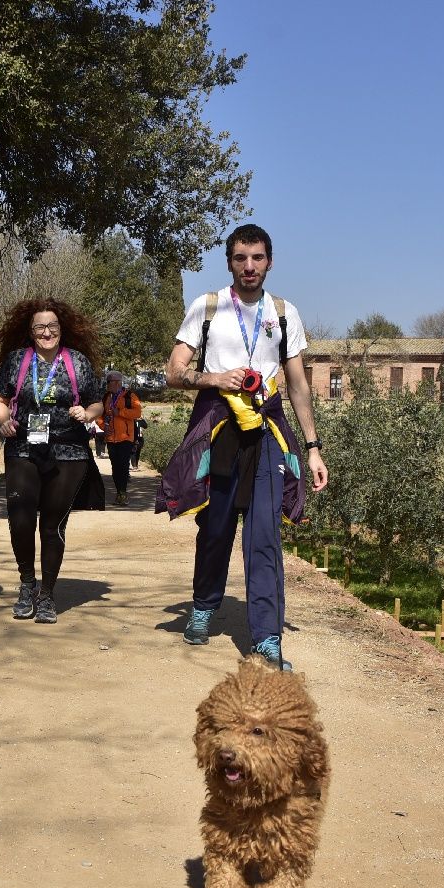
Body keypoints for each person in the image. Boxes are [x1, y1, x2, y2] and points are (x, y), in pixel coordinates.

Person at [157, 224, 329, 670]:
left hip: (267, 429)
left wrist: (312, 447)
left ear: (269, 261)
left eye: (256, 258)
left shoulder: (285, 313)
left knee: (265, 535)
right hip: (218, 425)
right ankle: (204, 604)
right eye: (240, 258)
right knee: (215, 527)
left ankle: (267, 637)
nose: (248, 266)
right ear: (229, 262)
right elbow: (173, 372)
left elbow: (298, 386)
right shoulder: (208, 307)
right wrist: (214, 378)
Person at [0, 299, 105, 623]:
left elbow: (97, 403)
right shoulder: (16, 361)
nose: (46, 332)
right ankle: (28, 583)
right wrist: (2, 421)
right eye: (40, 327)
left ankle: (48, 596)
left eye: (52, 326)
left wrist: (87, 412)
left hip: (68, 449)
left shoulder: (77, 362)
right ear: (30, 331)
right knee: (21, 515)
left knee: (52, 524)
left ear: (61, 329)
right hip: (24, 446)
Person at [100, 370, 145, 506]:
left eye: (110, 382)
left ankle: (123, 493)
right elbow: (99, 415)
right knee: (115, 466)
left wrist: (120, 412)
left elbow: (137, 413)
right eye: (107, 382)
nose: (107, 384)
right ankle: (119, 491)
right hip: (110, 437)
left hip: (126, 437)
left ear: (118, 383)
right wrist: (103, 426)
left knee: (123, 465)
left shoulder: (130, 396)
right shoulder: (106, 397)